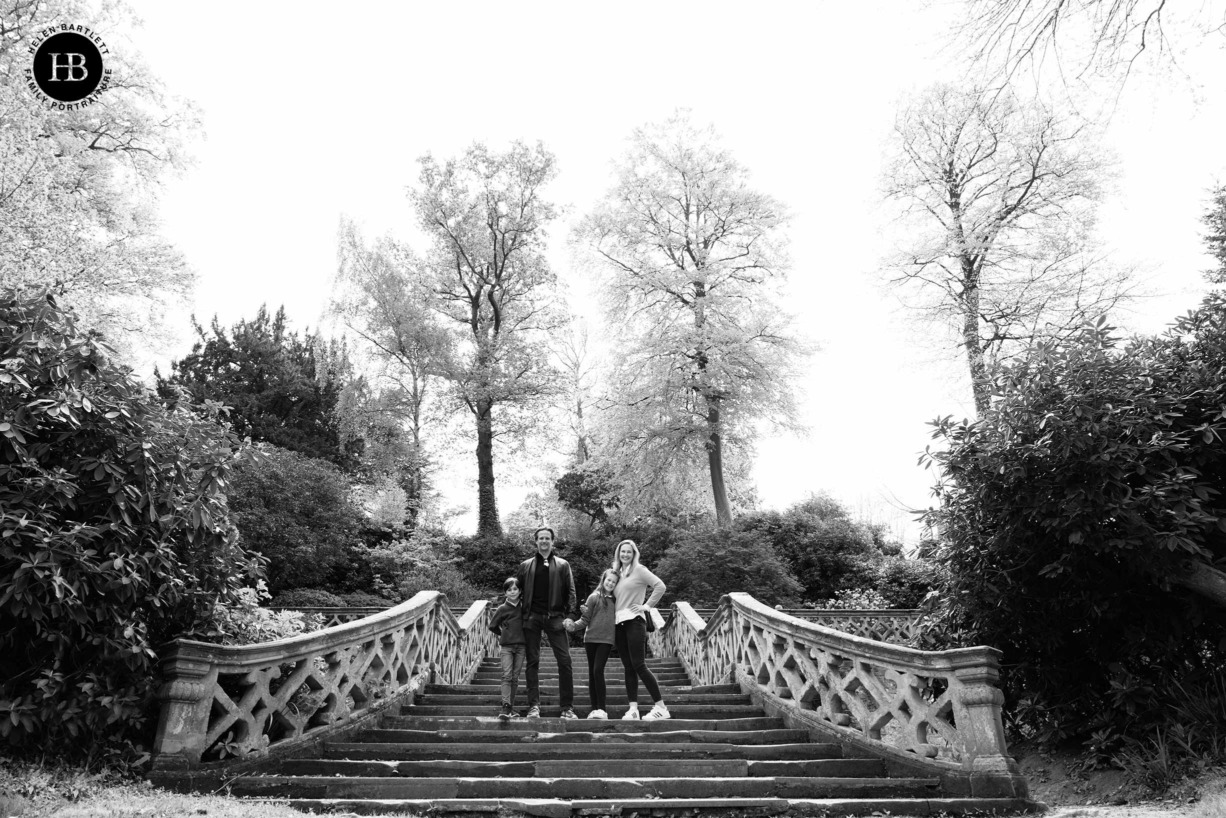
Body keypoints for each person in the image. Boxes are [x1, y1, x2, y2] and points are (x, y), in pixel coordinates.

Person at [514, 526, 578, 719]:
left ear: (552, 541)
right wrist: (515, 616)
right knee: (532, 661)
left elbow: (571, 592)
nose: (544, 541)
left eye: (547, 538)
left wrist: (571, 616)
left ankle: (567, 707)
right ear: (536, 541)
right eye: (540, 538)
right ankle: (534, 706)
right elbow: (516, 592)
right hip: (532, 618)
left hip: (556, 618)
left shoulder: (562, 565)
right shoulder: (525, 565)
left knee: (565, 661)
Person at [611, 539, 669, 720]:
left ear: (634, 553)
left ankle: (661, 707)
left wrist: (647, 606)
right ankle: (633, 709)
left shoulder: (640, 570)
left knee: (639, 664)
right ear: (618, 554)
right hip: (619, 623)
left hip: (635, 621)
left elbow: (660, 586)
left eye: (629, 552)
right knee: (628, 667)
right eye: (623, 552)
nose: (625, 555)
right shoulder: (617, 573)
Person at [564, 568, 619, 719]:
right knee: (592, 673)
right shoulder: (593, 597)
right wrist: (573, 626)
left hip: (606, 640)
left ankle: (602, 708)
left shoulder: (617, 600)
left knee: (598, 670)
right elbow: (585, 620)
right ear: (603, 579)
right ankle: (594, 709)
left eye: (614, 582)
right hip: (590, 640)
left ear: (616, 584)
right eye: (608, 580)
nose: (610, 583)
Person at [487, 577, 527, 721]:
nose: (512, 592)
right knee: (507, 675)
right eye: (509, 590)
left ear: (520, 590)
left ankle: (511, 707)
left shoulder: (524, 607)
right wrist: (504, 633)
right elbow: (492, 626)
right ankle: (505, 705)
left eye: (515, 589)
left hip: (522, 646)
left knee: (515, 677)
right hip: (507, 647)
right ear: (505, 593)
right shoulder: (502, 608)